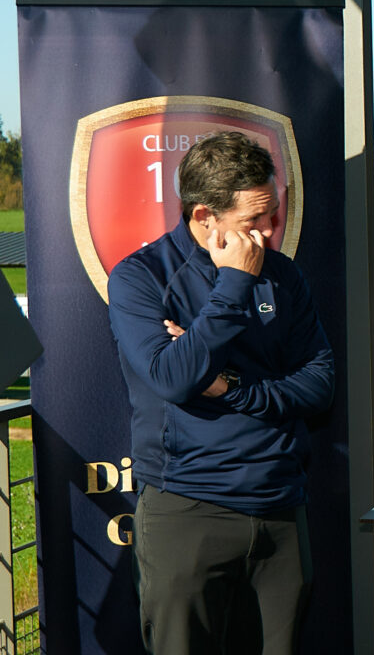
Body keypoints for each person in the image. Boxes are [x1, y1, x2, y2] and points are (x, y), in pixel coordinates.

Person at [107, 131, 335, 655]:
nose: (269, 229)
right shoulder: (141, 279)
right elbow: (173, 378)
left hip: (280, 508)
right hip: (188, 510)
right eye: (254, 219)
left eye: (273, 213)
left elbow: (319, 384)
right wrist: (233, 285)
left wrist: (229, 386)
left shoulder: (284, 276)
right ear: (204, 216)